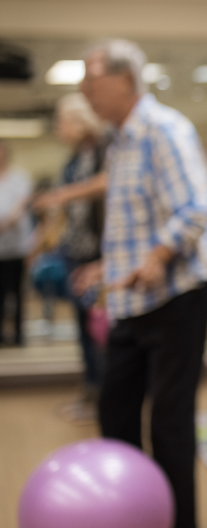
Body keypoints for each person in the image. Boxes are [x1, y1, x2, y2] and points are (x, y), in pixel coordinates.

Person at [74, 39, 207, 528]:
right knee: (114, 412)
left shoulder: (165, 129)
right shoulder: (119, 140)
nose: (86, 92)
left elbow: (198, 208)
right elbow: (136, 217)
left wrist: (158, 256)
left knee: (169, 420)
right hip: (132, 298)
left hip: (178, 296)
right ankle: (132, 523)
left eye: (92, 81)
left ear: (124, 80)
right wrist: (106, 267)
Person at [31, 93, 110, 415]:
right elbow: (62, 210)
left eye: (61, 122)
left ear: (80, 122)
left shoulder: (106, 149)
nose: (58, 129)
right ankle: (91, 390)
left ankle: (105, 395)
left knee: (101, 328)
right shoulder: (73, 160)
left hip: (99, 254)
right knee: (82, 326)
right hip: (73, 251)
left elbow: (106, 185)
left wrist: (62, 194)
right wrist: (39, 241)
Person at [0, 140, 32, 346]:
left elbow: (22, 205)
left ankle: (19, 335)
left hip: (17, 247)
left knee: (17, 293)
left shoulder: (20, 178)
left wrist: (7, 222)